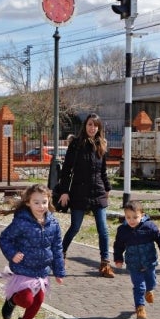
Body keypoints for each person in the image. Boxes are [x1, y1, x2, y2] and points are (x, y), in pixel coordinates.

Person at [0, 183, 66, 319]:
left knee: (37, 302)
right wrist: (12, 254)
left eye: (44, 202)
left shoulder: (53, 224)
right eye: (36, 202)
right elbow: (4, 238)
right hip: (24, 269)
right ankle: (11, 301)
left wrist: (59, 271)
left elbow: (57, 248)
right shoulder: (22, 222)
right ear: (28, 202)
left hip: (42, 271)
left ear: (49, 201)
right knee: (26, 300)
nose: (41, 206)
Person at [57, 113, 113, 278]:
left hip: (98, 192)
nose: (92, 128)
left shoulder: (101, 144)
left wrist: (107, 189)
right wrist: (65, 191)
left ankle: (105, 264)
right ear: (85, 126)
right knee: (75, 227)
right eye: (90, 124)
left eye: (95, 125)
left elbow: (103, 171)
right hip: (79, 192)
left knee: (103, 229)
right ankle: (60, 255)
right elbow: (66, 170)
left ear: (99, 128)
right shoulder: (75, 144)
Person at [113, 200, 160, 319]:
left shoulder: (149, 227)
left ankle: (150, 290)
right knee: (139, 286)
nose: (131, 220)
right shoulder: (123, 230)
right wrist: (118, 258)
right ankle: (140, 308)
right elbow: (118, 245)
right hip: (133, 264)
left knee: (151, 282)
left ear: (142, 215)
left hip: (149, 262)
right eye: (128, 217)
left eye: (135, 217)